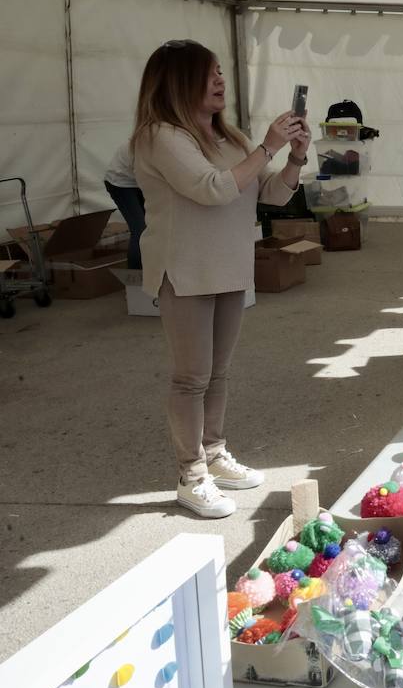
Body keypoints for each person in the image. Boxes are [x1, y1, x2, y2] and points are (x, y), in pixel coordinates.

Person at [132, 39, 308, 519]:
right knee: (191, 377)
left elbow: (265, 193)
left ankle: (214, 452)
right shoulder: (160, 135)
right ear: (179, 80)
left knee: (218, 372)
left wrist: (293, 157)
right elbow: (212, 189)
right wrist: (267, 146)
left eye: (220, 73)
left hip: (230, 267)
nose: (220, 81)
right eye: (209, 74)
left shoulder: (228, 137)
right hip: (185, 270)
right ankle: (191, 474)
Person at [104, 141, 146, 270]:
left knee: (154, 226)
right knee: (140, 229)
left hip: (138, 180)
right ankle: (136, 278)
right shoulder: (151, 142)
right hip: (120, 184)